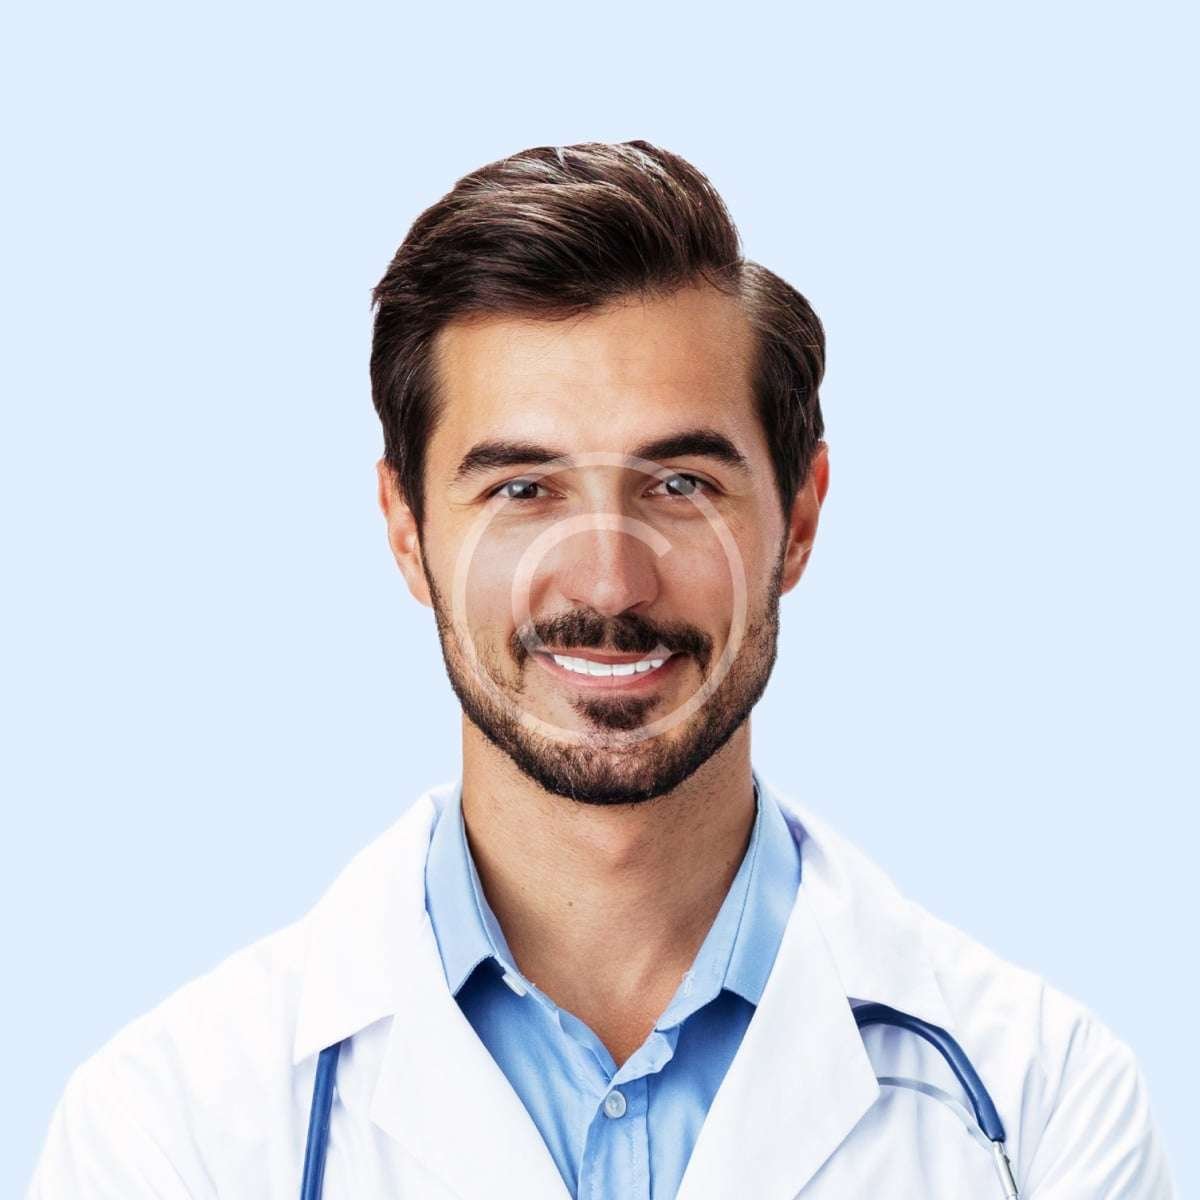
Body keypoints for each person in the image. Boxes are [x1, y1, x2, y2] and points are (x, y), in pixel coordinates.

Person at [28, 140, 1174, 1199]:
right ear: (406, 530)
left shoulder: (1044, 1108)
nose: (610, 584)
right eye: (521, 491)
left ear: (802, 519)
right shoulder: (169, 1128)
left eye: (681, 486)